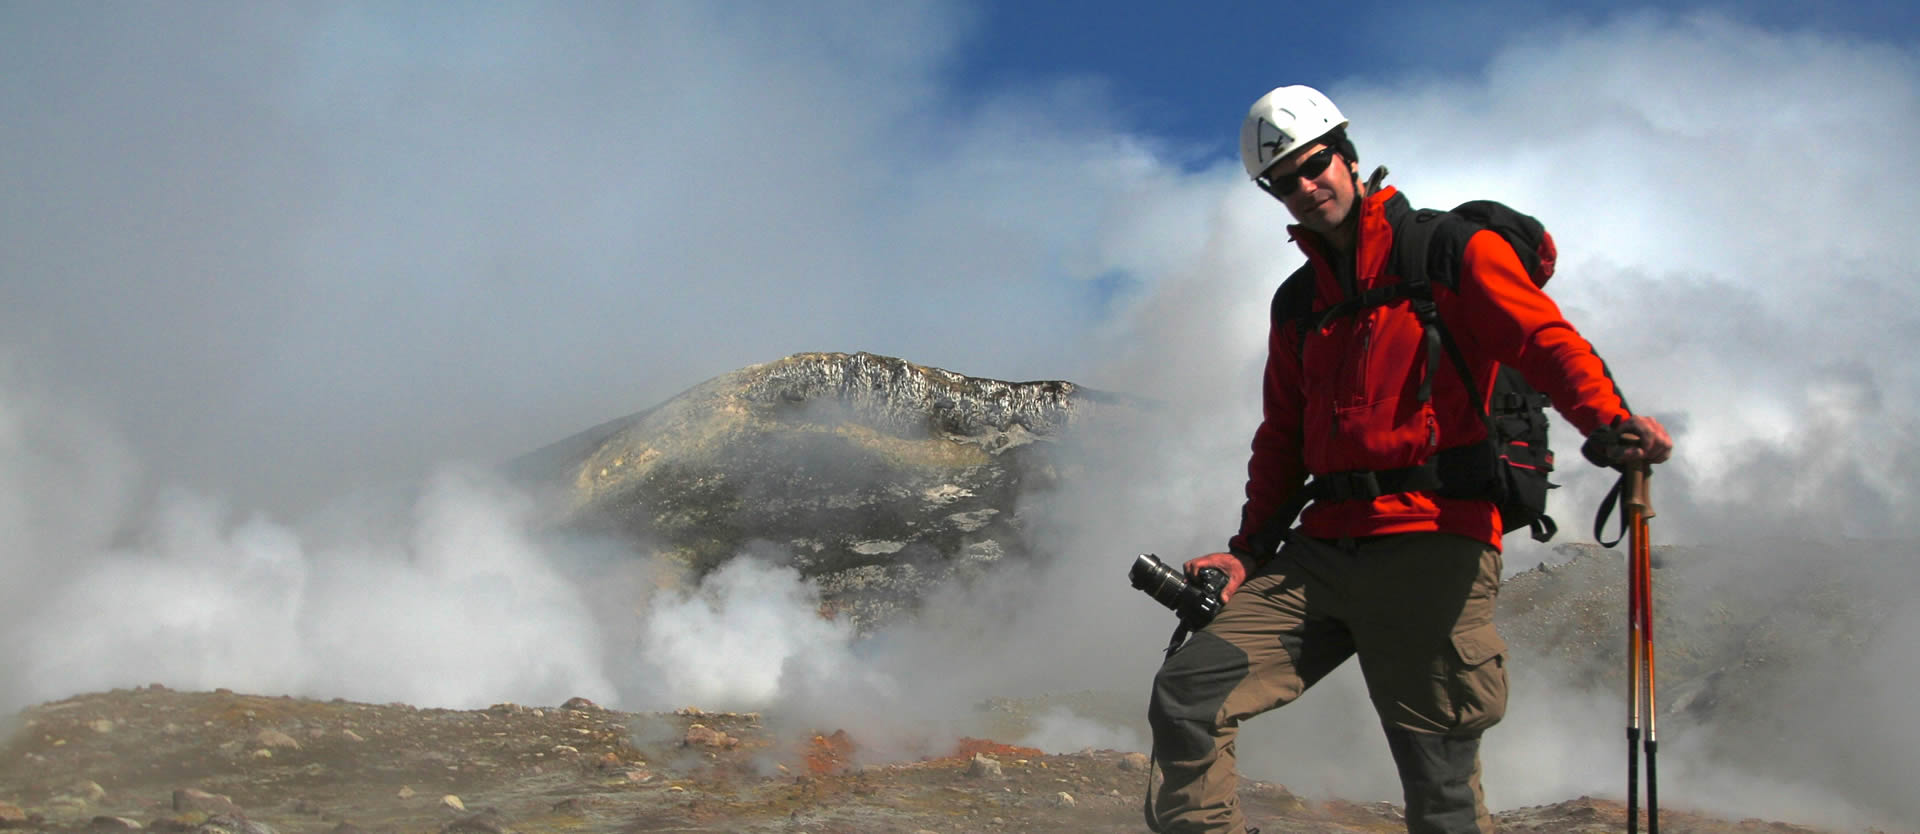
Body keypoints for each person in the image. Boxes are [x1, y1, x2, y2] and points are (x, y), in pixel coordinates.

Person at [1144, 85, 1674, 834]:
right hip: (1323, 550)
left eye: (1314, 164)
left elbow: (1541, 339)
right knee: (1190, 693)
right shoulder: (1299, 303)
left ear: (1348, 155)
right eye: (1281, 181)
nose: (1303, 186)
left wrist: (1610, 421)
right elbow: (1282, 437)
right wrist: (1247, 553)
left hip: (1434, 537)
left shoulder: (1449, 250)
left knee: (1440, 786)